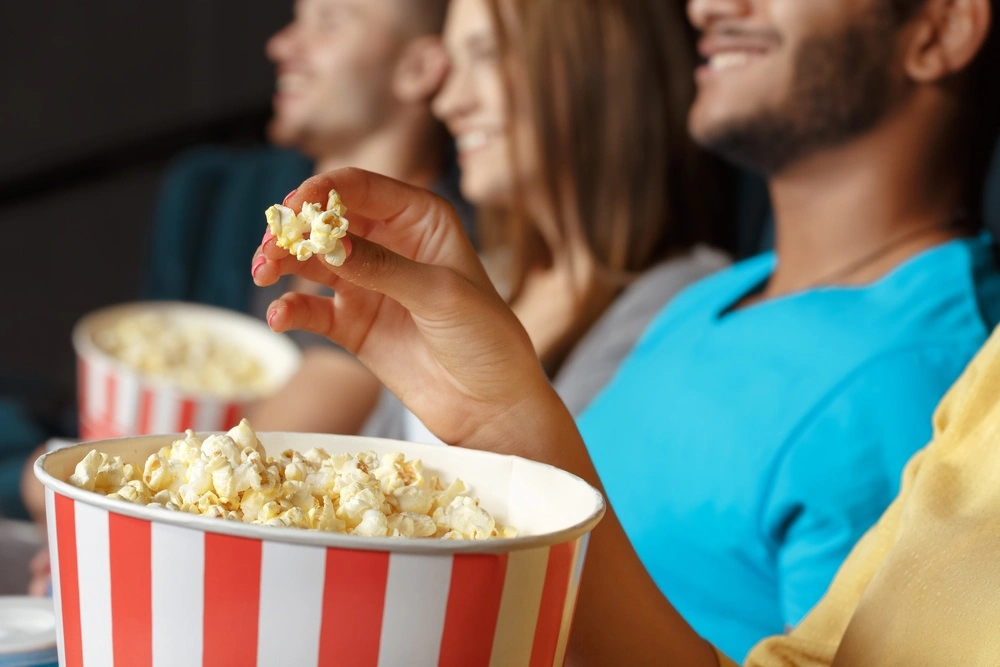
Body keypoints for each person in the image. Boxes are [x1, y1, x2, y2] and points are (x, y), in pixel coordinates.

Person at [252, 0, 1000, 662]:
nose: (706, 7)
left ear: (940, 27)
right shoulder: (720, 296)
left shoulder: (915, 374)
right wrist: (505, 423)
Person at [360, 0, 733, 443]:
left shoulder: (685, 304)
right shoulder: (479, 279)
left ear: (598, 64)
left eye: (487, 54)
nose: (448, 102)